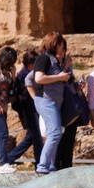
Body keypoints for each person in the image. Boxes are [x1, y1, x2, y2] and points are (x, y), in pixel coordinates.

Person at [30, 32, 72, 175]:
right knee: (54, 133)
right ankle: (43, 167)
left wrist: (65, 70)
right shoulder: (43, 58)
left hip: (54, 101)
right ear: (55, 44)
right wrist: (59, 76)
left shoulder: (55, 61)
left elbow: (58, 79)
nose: (63, 48)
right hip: (46, 100)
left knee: (54, 133)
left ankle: (51, 167)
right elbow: (38, 78)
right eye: (61, 45)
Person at [6, 51, 42, 167]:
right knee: (35, 137)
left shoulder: (27, 73)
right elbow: (23, 96)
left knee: (32, 137)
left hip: (31, 110)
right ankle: (39, 163)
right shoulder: (25, 76)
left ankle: (9, 158)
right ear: (30, 63)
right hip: (29, 112)